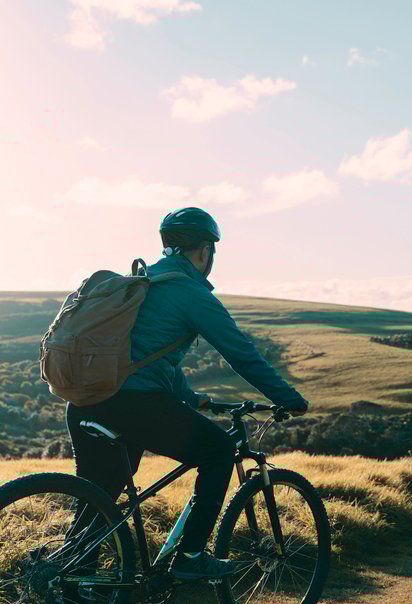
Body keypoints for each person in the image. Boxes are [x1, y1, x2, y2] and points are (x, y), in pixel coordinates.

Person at [65, 207, 309, 580]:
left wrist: (192, 398)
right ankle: (191, 555)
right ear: (204, 250)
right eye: (211, 250)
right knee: (219, 451)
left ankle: (70, 595)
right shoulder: (189, 291)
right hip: (133, 404)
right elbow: (240, 351)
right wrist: (286, 396)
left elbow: (149, 356)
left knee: (99, 500)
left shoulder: (145, 283)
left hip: (87, 400)